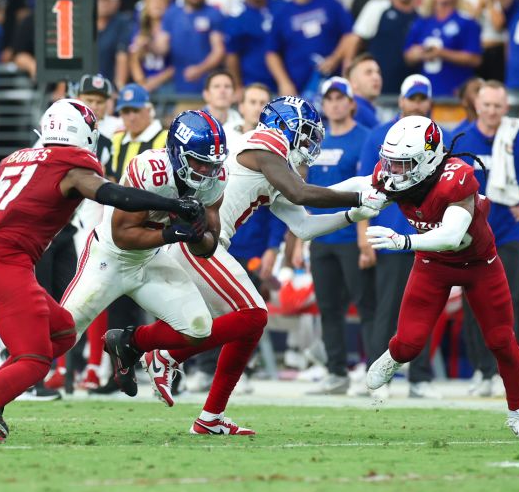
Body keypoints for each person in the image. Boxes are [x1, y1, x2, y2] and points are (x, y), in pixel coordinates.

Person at [0, 99, 209, 442]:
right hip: (4, 266)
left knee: (64, 330)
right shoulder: (70, 165)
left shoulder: (19, 163)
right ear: (82, 132)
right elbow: (113, 195)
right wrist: (172, 204)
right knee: (35, 360)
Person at [105, 97, 387, 435]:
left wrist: (351, 215)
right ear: (285, 126)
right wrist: (356, 198)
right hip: (198, 240)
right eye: (307, 133)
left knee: (250, 323)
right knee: (255, 315)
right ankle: (149, 347)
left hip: (208, 243)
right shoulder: (267, 141)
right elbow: (300, 193)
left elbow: (304, 227)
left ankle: (209, 416)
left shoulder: (275, 164)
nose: (310, 143)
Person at [363, 115, 519, 440]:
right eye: (392, 163)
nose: (394, 172)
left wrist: (403, 241)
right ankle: (393, 357)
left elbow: (450, 235)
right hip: (432, 264)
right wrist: (316, 199)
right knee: (408, 345)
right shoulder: (391, 176)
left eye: (403, 164)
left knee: (501, 341)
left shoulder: (455, 178)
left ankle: (517, 413)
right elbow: (358, 188)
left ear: (427, 159)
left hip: (479, 264)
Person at [54, 110, 230, 407]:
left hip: (148, 259)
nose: (208, 171)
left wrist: (199, 234)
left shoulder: (215, 179)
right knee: (59, 335)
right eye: (200, 161)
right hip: (109, 256)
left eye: (213, 164)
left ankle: (127, 343)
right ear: (178, 152)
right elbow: (123, 234)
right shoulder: (150, 169)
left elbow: (208, 247)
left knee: (200, 327)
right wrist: (172, 234)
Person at [450, 82, 519, 395]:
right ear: (476, 105)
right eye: (487, 105)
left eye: (498, 106)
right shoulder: (461, 139)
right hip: (469, 236)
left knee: (510, 302)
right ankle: (484, 373)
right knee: (474, 302)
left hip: (508, 236)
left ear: (506, 107)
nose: (492, 111)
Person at [358, 75, 441, 397]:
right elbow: (367, 190)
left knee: (425, 308)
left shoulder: (436, 138)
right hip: (391, 235)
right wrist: (364, 238)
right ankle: (380, 379)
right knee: (388, 309)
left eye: (422, 99)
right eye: (412, 98)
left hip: (428, 236)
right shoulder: (380, 136)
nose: (417, 104)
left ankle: (421, 378)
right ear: (402, 101)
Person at [305, 78, 370, 395]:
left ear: (351, 102)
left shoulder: (366, 139)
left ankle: (373, 374)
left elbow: (372, 191)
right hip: (321, 237)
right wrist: (295, 240)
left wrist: (365, 237)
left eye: (340, 97)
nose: (334, 103)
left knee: (365, 305)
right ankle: (336, 373)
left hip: (351, 237)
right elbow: (302, 191)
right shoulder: (314, 142)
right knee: (328, 309)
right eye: (328, 98)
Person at [265, 0, 355, 97]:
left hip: (332, 87)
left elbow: (350, 35)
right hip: (298, 88)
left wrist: (335, 58)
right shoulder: (282, 14)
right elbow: (271, 53)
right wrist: (284, 82)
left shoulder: (331, 4)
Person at [404, 0, 483, 99]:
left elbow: (475, 58)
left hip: (456, 90)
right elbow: (408, 55)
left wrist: (441, 53)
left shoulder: (466, 22)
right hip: (426, 93)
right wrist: (419, 53)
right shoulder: (422, 22)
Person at [353, 0, 425, 92]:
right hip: (377, 87)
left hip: (410, 91)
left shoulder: (422, 17)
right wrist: (350, 75)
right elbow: (355, 42)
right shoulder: (377, 7)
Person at [164, 0, 226, 95]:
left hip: (208, 85)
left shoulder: (213, 13)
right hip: (177, 83)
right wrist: (149, 44)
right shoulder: (172, 13)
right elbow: (162, 46)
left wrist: (200, 69)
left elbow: (219, 51)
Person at [222, 0, 277, 92]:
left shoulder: (280, 6)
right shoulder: (237, 15)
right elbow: (232, 55)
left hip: (286, 82)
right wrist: (237, 86)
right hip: (253, 83)